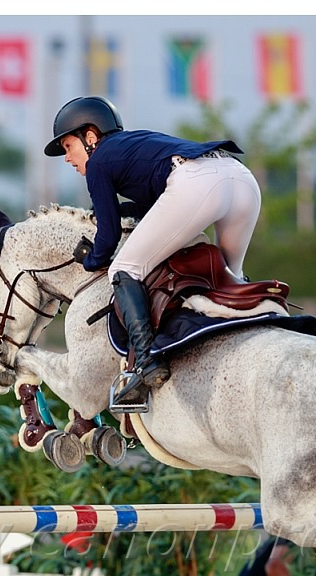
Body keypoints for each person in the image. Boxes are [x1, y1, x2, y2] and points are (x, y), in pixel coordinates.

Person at [44, 95, 262, 408]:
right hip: (239, 176)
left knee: (124, 269)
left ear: (90, 137)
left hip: (196, 183)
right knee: (229, 276)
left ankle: (145, 360)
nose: (66, 158)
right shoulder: (133, 146)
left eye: (67, 147)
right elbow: (152, 205)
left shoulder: (100, 161)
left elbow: (108, 237)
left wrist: (89, 261)